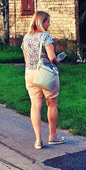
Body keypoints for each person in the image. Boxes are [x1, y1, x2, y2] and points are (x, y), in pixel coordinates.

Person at [21, 10, 65, 149]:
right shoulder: (46, 37)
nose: (49, 24)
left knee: (35, 106)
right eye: (47, 21)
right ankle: (53, 136)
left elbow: (26, 59)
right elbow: (52, 58)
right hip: (45, 74)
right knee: (51, 104)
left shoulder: (26, 37)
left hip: (30, 74)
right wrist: (58, 60)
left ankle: (38, 140)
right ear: (41, 22)